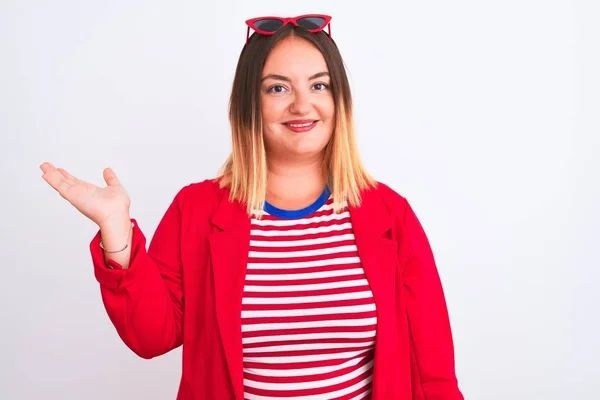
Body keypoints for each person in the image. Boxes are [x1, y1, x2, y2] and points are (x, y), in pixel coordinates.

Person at [40, 14, 463, 400]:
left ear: (340, 100)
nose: (302, 104)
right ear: (249, 104)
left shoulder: (389, 214)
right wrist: (117, 230)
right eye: (278, 87)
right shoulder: (197, 209)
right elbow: (153, 336)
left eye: (319, 85)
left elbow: (434, 372)